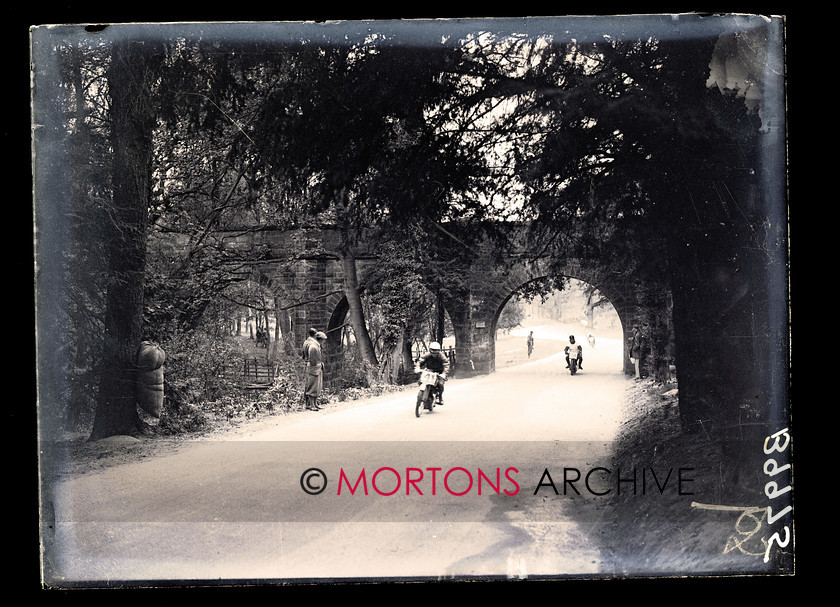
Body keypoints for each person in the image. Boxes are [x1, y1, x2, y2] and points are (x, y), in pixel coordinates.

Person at [304, 331, 327, 411]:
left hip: (318, 368)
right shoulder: (313, 347)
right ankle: (311, 405)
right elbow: (312, 360)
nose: (324, 342)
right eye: (323, 340)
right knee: (312, 387)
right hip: (314, 369)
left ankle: (315, 404)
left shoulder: (317, 346)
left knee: (317, 387)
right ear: (320, 339)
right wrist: (316, 365)